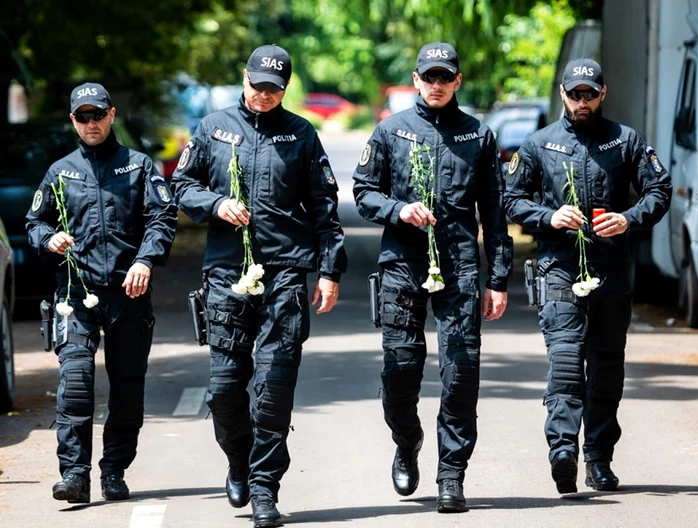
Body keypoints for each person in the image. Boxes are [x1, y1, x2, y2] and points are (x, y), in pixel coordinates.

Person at [171, 44, 347, 528]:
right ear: (243, 79)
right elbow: (181, 187)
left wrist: (330, 270)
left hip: (285, 274)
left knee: (271, 390)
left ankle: (266, 490)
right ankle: (238, 462)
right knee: (224, 390)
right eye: (256, 86)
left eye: (273, 89)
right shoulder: (212, 128)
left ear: (284, 88)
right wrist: (214, 204)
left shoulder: (301, 134)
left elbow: (325, 209)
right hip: (227, 273)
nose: (263, 95)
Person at [353, 42, 513, 513]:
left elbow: (495, 215)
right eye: (429, 77)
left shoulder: (478, 135)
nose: (437, 85)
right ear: (417, 80)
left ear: (458, 81)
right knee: (400, 371)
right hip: (403, 265)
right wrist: (399, 209)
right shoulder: (390, 131)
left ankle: (452, 474)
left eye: (446, 77)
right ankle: (407, 442)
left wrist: (498, 277)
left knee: (461, 372)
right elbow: (364, 193)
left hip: (460, 265)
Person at [504, 58, 672, 494]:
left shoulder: (625, 140)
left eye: (589, 94)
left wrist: (630, 218)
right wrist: (549, 216)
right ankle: (562, 449)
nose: (582, 101)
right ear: (562, 93)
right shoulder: (540, 144)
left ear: (603, 93)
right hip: (558, 267)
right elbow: (511, 200)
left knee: (606, 368)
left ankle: (599, 457)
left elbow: (660, 188)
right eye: (574, 93)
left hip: (612, 271)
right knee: (565, 359)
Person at [26, 82, 178, 503]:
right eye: (82, 116)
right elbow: (35, 222)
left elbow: (162, 218)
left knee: (127, 388)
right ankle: (74, 475)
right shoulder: (60, 171)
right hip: (75, 295)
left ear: (112, 115)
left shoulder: (138, 166)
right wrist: (48, 238)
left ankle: (114, 470)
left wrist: (145, 260)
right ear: (72, 120)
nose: (91, 123)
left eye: (98, 115)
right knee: (75, 382)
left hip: (129, 295)